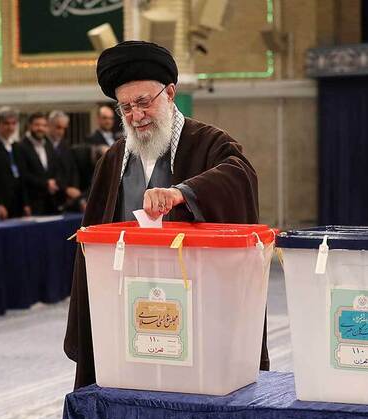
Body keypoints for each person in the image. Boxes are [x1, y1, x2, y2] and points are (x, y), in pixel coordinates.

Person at [64, 41, 267, 389]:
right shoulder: (113, 160)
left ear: (170, 93)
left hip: (196, 310)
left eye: (144, 102)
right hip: (127, 308)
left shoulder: (209, 142)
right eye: (126, 107)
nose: (136, 115)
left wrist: (182, 193)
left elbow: (240, 174)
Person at [19, 112, 64, 215]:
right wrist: (46, 183)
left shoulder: (48, 144)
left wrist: (54, 181)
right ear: (29, 126)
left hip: (51, 201)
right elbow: (24, 175)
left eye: (44, 125)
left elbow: (56, 167)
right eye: (37, 125)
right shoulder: (21, 146)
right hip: (32, 202)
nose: (41, 128)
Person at [47, 110, 82, 212]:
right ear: (50, 125)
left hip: (66, 199)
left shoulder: (65, 145)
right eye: (58, 127)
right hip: (49, 197)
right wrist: (65, 189)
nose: (61, 131)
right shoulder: (43, 145)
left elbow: (73, 169)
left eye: (64, 128)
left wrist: (74, 188)